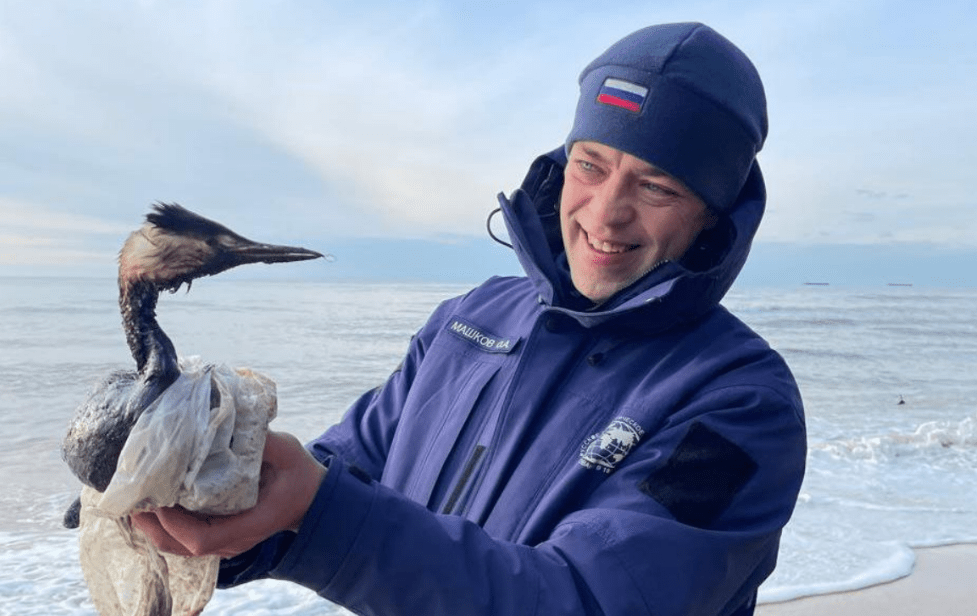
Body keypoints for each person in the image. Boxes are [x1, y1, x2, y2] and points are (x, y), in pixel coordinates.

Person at [133, 22, 806, 616]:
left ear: (713, 216)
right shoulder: (472, 318)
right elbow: (343, 472)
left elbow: (591, 600)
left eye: (656, 187)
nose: (604, 213)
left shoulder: (740, 406)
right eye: (590, 165)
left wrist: (320, 511)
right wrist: (214, 509)